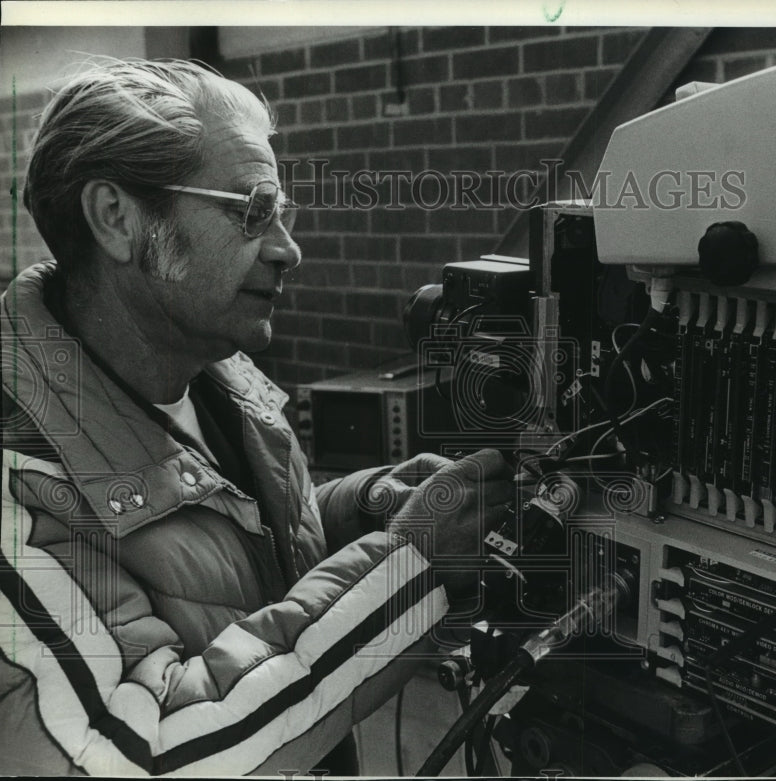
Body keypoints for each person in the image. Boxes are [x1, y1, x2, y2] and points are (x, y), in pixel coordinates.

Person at [0, 59, 513, 776]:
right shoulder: (21, 480)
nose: (287, 248)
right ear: (117, 218)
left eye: (282, 213)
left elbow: (233, 571)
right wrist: (407, 568)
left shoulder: (220, 380)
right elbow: (140, 753)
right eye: (250, 209)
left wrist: (360, 513)